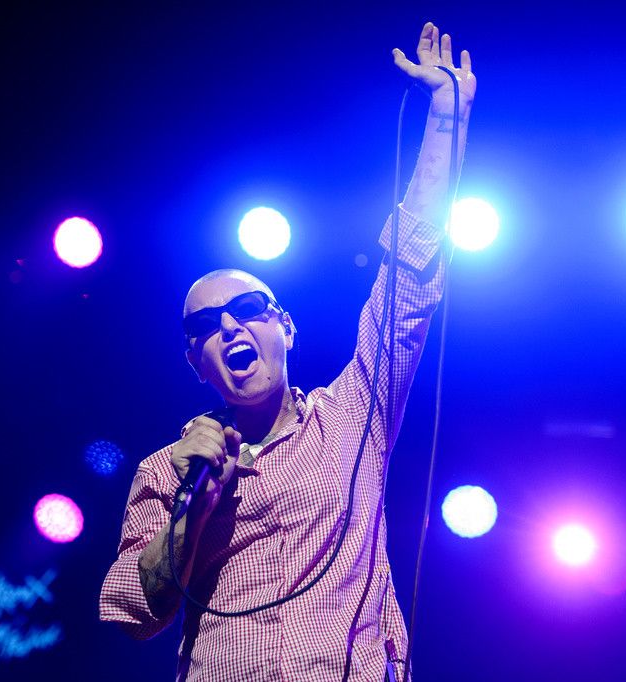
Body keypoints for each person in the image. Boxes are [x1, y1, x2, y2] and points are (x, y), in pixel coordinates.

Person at [100, 22, 476, 682]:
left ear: (285, 327)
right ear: (196, 363)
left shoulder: (352, 417)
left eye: (246, 310)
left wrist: (445, 120)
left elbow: (409, 281)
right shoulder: (169, 471)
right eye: (205, 326)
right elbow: (133, 612)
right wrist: (194, 505)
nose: (229, 329)